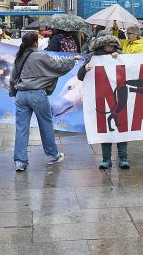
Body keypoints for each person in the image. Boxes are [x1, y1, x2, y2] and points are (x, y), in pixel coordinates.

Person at [10, 32, 82, 171]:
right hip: (37, 94)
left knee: (21, 128)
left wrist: (14, 93)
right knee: (46, 125)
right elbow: (59, 66)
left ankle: (20, 161)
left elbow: (13, 78)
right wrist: (73, 59)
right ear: (36, 43)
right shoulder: (41, 55)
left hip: (21, 95)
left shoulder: (19, 57)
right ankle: (52, 156)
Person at [78, 34, 128, 169]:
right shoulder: (92, 57)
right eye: (108, 45)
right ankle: (106, 159)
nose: (110, 47)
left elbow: (131, 71)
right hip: (100, 97)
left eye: (113, 45)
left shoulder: (121, 55)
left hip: (119, 95)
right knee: (105, 128)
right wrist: (85, 69)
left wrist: (120, 60)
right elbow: (80, 76)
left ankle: (123, 158)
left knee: (122, 127)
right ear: (101, 45)